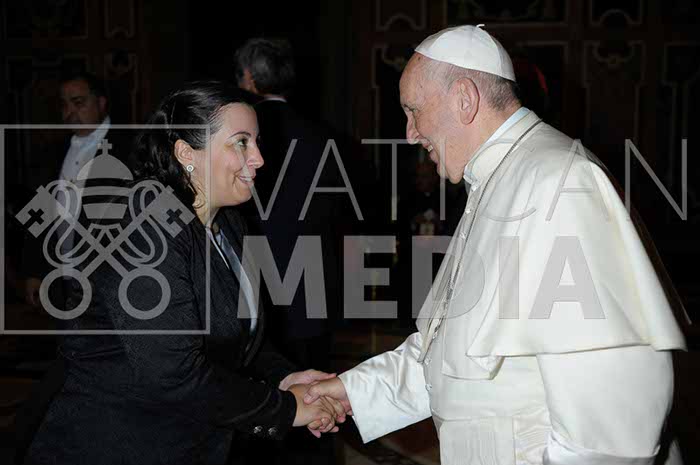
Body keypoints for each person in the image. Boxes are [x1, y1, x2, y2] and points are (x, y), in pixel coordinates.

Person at [303, 25, 687, 465]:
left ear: (464, 99)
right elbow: (452, 357)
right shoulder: (499, 178)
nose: (410, 133)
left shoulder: (556, 183)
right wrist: (351, 391)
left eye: (413, 111)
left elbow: (611, 422)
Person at [20, 81, 344, 465]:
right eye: (241, 142)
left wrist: (284, 378)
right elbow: (173, 376)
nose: (258, 158)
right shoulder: (143, 227)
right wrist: (287, 409)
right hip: (116, 445)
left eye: (256, 142)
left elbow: (242, 335)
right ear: (186, 153)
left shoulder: (229, 223)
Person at [233, 36, 346, 465]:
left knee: (258, 404)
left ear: (248, 77)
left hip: (255, 286)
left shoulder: (238, 135)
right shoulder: (323, 135)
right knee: (317, 398)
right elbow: (338, 216)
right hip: (311, 286)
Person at [22, 71, 134, 310]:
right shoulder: (53, 153)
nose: (70, 111)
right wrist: (34, 271)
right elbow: (37, 215)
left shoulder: (130, 147)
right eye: (64, 104)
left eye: (78, 102)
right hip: (60, 276)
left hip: (113, 279)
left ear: (101, 103)